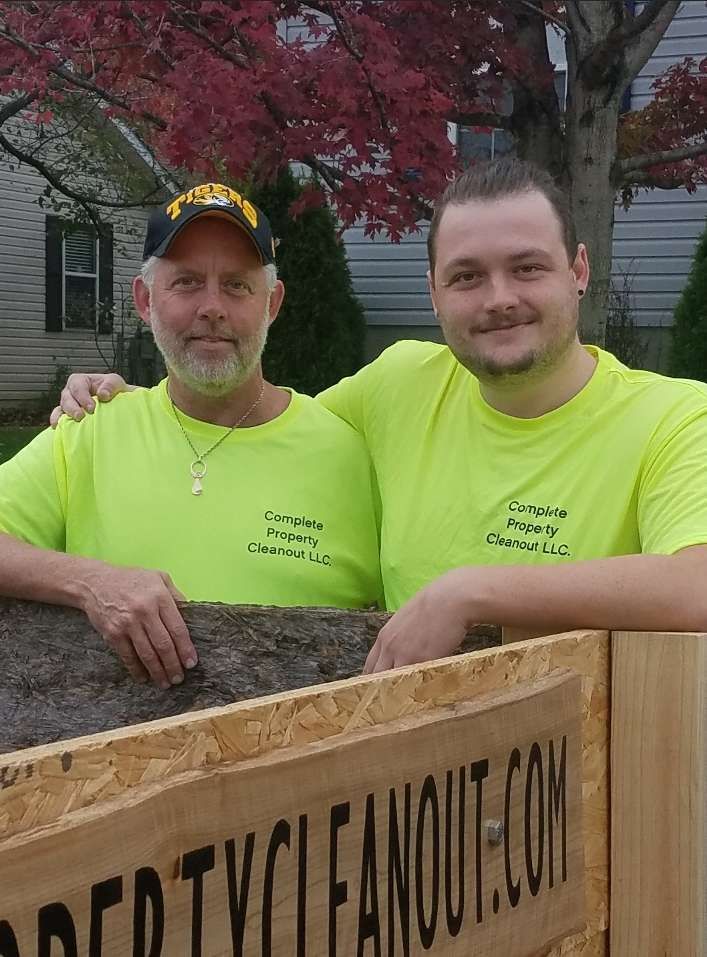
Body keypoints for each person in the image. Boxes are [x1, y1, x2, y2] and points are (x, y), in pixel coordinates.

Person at [52, 159, 707, 674]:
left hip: (584, 795)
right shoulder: (399, 385)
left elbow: (695, 585)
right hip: (404, 794)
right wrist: (133, 399)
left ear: (578, 270)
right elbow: (252, 418)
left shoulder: (673, 417)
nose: (499, 298)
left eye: (527, 267)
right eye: (466, 276)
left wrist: (470, 593)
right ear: (432, 292)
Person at [0, 182, 381, 689]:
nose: (212, 307)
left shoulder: (350, 452)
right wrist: (93, 582)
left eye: (237, 285)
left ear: (272, 304)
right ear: (144, 299)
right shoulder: (91, 430)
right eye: (186, 282)